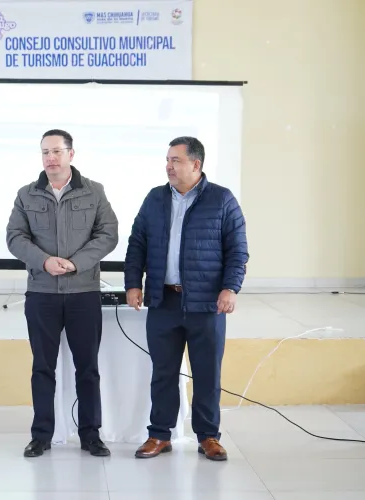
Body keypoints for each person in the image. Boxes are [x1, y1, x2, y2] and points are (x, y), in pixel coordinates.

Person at [123, 136, 248, 462]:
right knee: (163, 373)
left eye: (175, 160)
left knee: (207, 374)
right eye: (167, 160)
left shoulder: (222, 199)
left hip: (207, 304)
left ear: (196, 164)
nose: (169, 166)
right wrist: (133, 284)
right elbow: (137, 243)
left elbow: (238, 250)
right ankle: (159, 435)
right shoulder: (155, 198)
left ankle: (208, 437)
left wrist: (230, 288)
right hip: (163, 301)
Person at [6, 129, 118, 458]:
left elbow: (108, 234)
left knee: (88, 368)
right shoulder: (26, 194)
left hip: (83, 292)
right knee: (43, 368)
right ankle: (41, 435)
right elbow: (15, 237)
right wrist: (44, 261)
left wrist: (75, 264)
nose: (50, 158)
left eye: (56, 151)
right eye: (45, 152)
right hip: (42, 294)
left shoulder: (94, 191)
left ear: (71, 154)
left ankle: (91, 435)